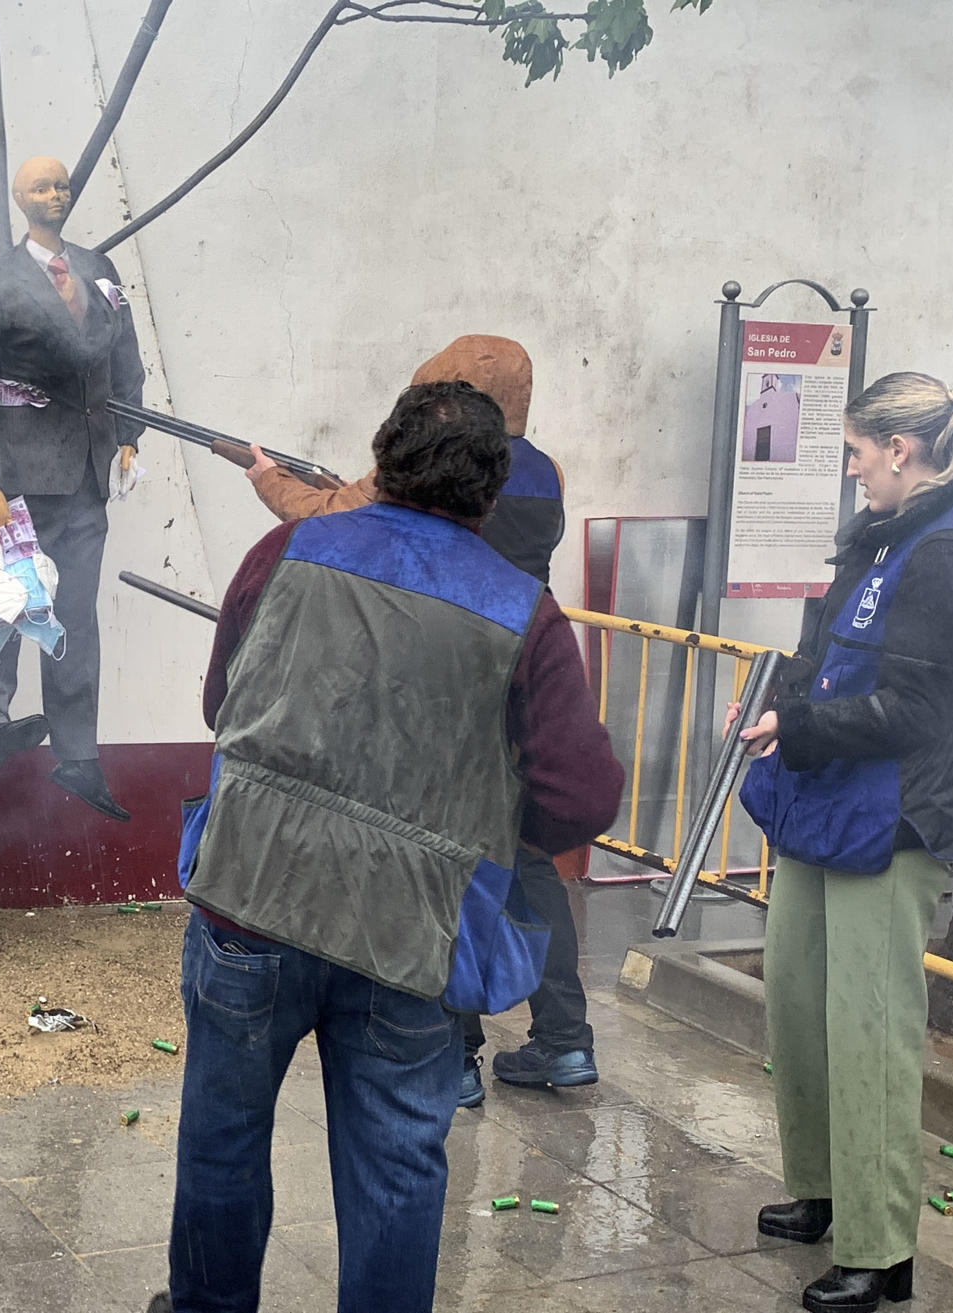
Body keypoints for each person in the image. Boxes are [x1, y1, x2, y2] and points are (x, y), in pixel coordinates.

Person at [164, 381, 623, 1313]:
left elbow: (223, 705)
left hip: (249, 900)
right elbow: (580, 795)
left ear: (381, 460)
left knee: (221, 1140)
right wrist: (473, 824)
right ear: (489, 496)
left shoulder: (285, 548)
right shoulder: (522, 613)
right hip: (408, 931)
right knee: (398, 1168)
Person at [242, 333, 600, 1105]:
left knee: (442, 869)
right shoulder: (546, 474)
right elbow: (581, 793)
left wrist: (270, 480)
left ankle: (458, 1058)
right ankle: (566, 1041)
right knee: (531, 874)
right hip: (515, 675)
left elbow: (329, 512)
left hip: (439, 691)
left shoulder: (417, 476)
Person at [735, 372, 953, 1313]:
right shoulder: (879, 534)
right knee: (800, 1004)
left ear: (902, 450)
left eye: (855, 452)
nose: (850, 471)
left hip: (894, 818)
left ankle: (881, 1246)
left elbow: (918, 710)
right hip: (826, 801)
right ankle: (824, 1187)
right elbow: (828, 655)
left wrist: (798, 730)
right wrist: (782, 704)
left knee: (871, 1032)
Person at [0, 155, 144, 820]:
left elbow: (123, 357)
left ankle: (78, 753)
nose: (53, 194)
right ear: (19, 198)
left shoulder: (99, 271)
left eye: (60, 185)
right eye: (40, 186)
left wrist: (128, 433)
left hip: (86, 474)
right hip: (16, 475)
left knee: (75, 616)